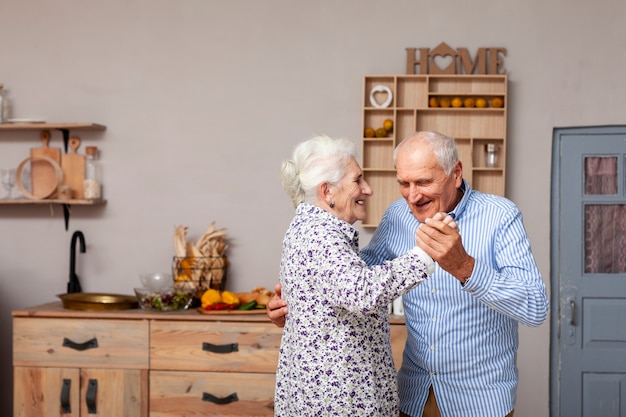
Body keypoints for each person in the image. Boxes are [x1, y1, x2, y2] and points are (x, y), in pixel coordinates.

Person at [268, 131, 549, 417]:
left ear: (456, 173)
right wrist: (303, 302)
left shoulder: (500, 216)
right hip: (412, 398)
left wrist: (464, 267)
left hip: (478, 402)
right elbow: (357, 278)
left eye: (424, 182)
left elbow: (535, 308)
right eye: (404, 183)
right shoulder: (397, 216)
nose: (412, 196)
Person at [274, 134, 453, 417]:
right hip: (339, 401)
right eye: (358, 180)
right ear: (327, 192)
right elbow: (362, 293)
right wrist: (425, 254)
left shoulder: (306, 228)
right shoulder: (322, 236)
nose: (367, 190)